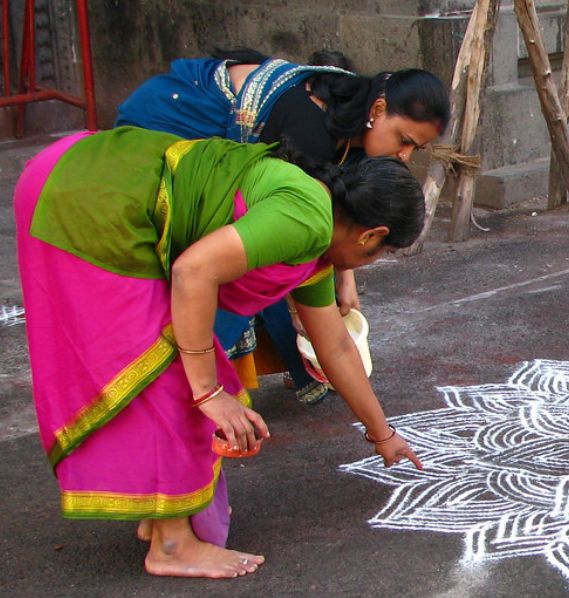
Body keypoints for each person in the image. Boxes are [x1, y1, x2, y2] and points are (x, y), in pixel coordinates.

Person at [15, 125, 424, 578]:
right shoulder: (306, 218)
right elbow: (193, 272)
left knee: (179, 368)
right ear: (371, 235)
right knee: (178, 378)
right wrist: (208, 392)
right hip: (90, 195)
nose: (363, 267)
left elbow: (336, 347)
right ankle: (172, 544)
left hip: (86, 176)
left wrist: (382, 434)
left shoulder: (316, 237)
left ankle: (161, 515)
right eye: (376, 255)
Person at [116, 50, 450, 402]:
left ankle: (277, 375)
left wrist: (345, 276)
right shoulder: (310, 137)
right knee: (251, 270)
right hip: (165, 130)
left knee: (288, 266)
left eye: (416, 149)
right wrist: (304, 310)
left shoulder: (354, 135)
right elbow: (298, 251)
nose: (405, 156)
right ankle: (181, 389)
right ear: (378, 110)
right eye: (404, 141)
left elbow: (339, 226)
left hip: (242, 186)